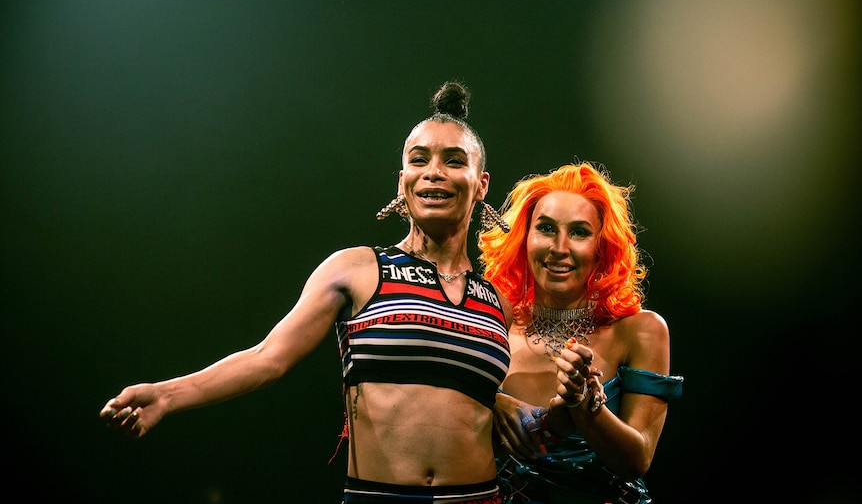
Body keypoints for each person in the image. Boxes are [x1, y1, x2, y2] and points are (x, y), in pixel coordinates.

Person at [99, 80, 516, 504]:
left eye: (453, 160)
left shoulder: (498, 303)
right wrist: (166, 396)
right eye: (419, 159)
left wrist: (519, 401)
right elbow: (268, 358)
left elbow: (520, 409)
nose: (433, 172)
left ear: (481, 184)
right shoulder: (356, 270)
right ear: (402, 180)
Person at [477, 162, 683, 504]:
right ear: (523, 239)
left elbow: (636, 461)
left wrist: (586, 405)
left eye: (579, 232)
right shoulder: (491, 326)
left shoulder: (641, 331)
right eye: (545, 228)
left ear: (603, 246)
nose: (560, 247)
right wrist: (489, 401)